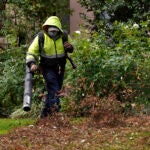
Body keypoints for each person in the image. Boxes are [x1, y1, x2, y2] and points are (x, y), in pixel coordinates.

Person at [26, 16, 74, 118]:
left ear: (58, 30)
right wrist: (32, 64)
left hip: (60, 68)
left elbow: (71, 48)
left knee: (53, 90)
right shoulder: (41, 37)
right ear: (46, 28)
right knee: (55, 88)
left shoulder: (64, 36)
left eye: (55, 31)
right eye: (51, 30)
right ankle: (56, 112)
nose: (53, 33)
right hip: (47, 68)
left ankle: (44, 116)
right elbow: (31, 52)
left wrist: (70, 47)